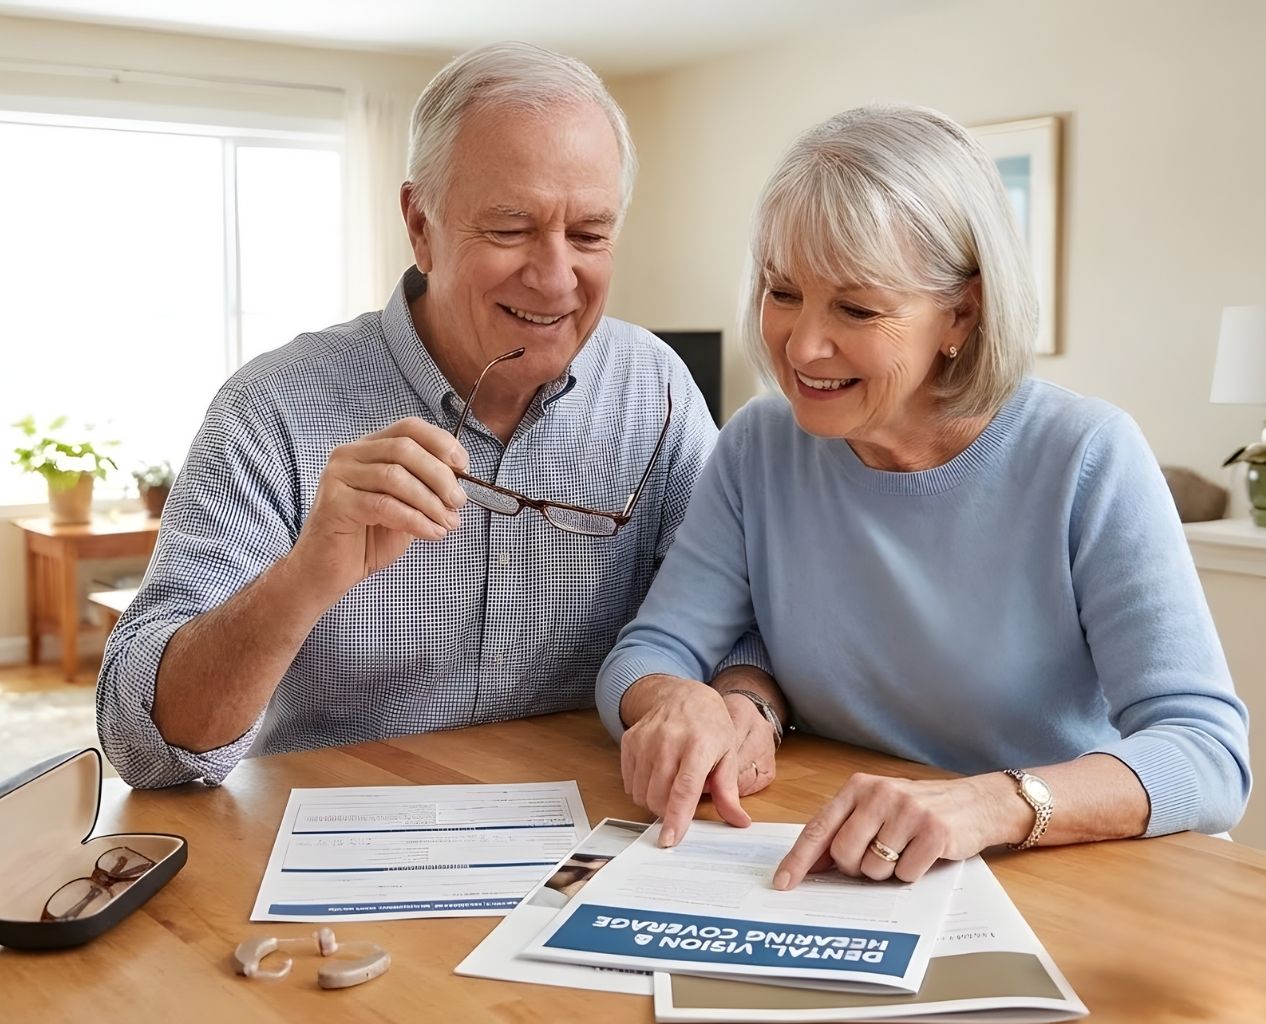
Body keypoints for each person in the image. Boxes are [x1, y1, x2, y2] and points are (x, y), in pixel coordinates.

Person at [596, 104, 1250, 888]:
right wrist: (681, 700)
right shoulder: (760, 446)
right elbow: (651, 649)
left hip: (1080, 875)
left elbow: (1207, 755)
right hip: (860, 867)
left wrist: (991, 804)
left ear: (961, 313)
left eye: (858, 308)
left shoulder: (1087, 455)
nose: (802, 345)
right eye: (782, 292)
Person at [97, 43, 774, 789]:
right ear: (421, 224)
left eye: (588, 234)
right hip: (341, 854)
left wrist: (741, 698)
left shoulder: (661, 393)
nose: (554, 279)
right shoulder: (272, 410)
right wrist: (304, 577)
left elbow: (740, 617)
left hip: (589, 838)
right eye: (511, 229)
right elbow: (141, 748)